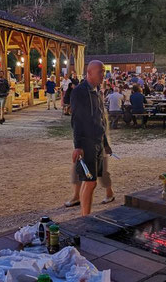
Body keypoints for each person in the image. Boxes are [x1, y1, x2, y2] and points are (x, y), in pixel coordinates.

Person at [69, 60, 111, 215]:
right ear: (89, 73)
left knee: (90, 182)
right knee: (90, 181)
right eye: (100, 71)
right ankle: (85, 218)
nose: (103, 75)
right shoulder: (79, 92)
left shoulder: (97, 91)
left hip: (98, 142)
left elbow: (100, 118)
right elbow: (76, 120)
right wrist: (78, 146)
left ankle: (84, 216)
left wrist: (105, 142)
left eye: (104, 71)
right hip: (86, 142)